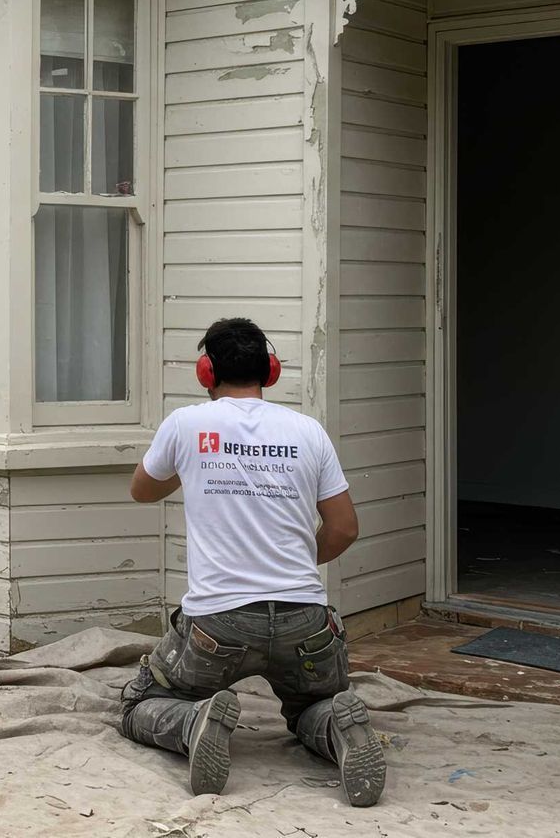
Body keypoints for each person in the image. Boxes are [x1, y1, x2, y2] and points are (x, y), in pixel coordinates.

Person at [119, 316, 385, 806]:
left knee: (140, 703)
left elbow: (142, 490)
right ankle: (340, 727)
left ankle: (193, 722)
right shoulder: (309, 431)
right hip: (304, 620)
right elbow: (345, 528)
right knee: (312, 705)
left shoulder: (187, 424)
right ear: (271, 370)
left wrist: (200, 466)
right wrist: (300, 561)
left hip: (218, 625)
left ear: (206, 372)